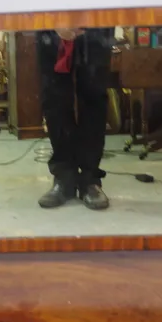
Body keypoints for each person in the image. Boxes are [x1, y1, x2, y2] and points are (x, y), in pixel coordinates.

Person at [35, 28, 113, 210]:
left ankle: (90, 180)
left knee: (94, 97)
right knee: (55, 99)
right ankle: (64, 178)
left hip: (96, 19)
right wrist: (56, 23)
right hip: (50, 21)